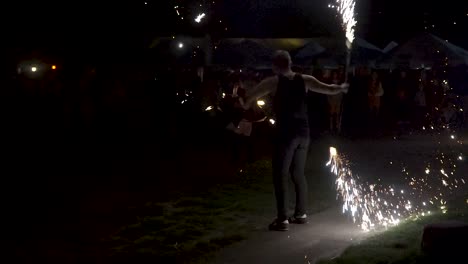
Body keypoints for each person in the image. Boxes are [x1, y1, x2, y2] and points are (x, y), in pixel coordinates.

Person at [242, 51, 348, 231]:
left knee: (280, 174)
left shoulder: (273, 82)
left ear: (275, 66)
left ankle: (282, 219)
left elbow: (249, 98)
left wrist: (243, 100)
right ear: (290, 63)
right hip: (304, 132)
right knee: (298, 173)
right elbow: (328, 88)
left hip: (285, 133)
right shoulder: (304, 79)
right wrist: (341, 87)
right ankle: (301, 214)